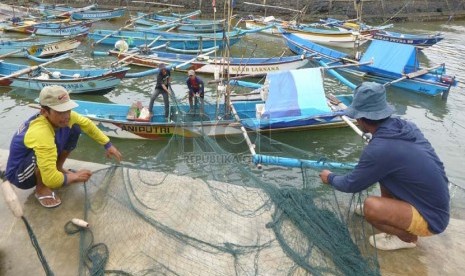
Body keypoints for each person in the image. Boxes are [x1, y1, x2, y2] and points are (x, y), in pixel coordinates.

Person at [319, 82, 449, 251]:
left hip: (432, 219)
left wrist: (330, 177)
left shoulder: (379, 150)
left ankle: (406, 238)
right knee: (384, 173)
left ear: (360, 118)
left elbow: (351, 184)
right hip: (436, 202)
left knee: (371, 207)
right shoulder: (406, 127)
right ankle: (393, 213)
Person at [5, 85, 123, 208]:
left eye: (68, 109)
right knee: (41, 153)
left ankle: (59, 167)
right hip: (20, 174)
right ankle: (41, 188)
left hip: (36, 163)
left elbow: (87, 124)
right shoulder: (40, 131)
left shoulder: (66, 117)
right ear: (44, 112)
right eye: (60, 112)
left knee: (75, 128)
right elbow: (51, 179)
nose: (66, 115)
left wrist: (108, 145)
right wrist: (73, 177)